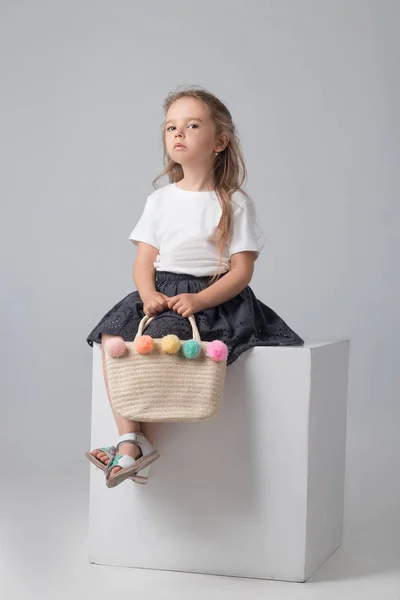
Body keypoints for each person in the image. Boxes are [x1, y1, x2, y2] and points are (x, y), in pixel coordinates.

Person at [85, 86, 304, 489]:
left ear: (219, 141)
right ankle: (129, 438)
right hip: (162, 289)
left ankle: (137, 451)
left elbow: (241, 270)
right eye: (171, 127)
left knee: (164, 337)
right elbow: (143, 261)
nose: (178, 133)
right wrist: (148, 294)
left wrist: (201, 298)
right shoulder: (160, 201)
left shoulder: (232, 201)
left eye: (191, 124)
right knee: (112, 332)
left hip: (212, 295)